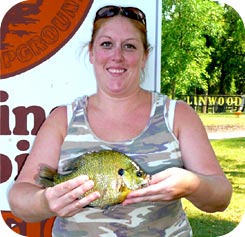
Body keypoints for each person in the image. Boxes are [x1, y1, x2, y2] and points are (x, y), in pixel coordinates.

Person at [8, 5, 232, 237]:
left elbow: (221, 198)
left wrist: (192, 184)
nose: (117, 55)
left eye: (129, 46)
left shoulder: (177, 115)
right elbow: (20, 197)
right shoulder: (62, 120)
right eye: (106, 44)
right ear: (92, 53)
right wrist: (45, 202)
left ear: (144, 57)